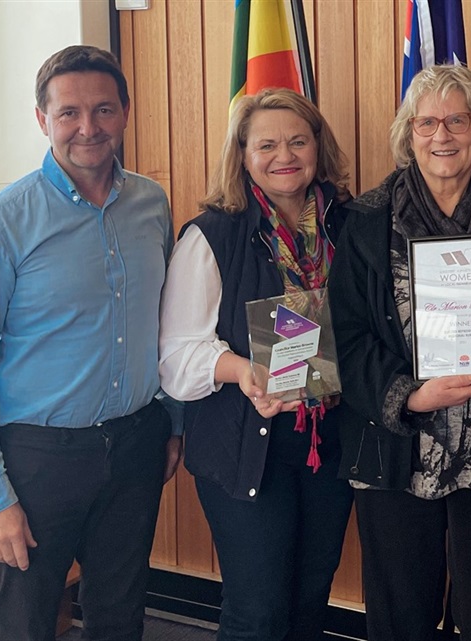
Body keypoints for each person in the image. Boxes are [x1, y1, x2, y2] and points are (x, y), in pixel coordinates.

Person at [0, 45, 177, 640]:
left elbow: (166, 326)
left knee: (120, 616)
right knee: (26, 622)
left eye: (102, 110)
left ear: (124, 111)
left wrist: (171, 425)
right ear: (42, 119)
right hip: (38, 460)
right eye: (68, 113)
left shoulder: (151, 204)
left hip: (136, 444)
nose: (87, 128)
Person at [327, 64, 471, 641]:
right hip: (398, 447)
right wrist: (410, 396)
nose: (442, 135)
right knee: (400, 614)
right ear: (409, 134)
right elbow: (347, 337)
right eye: (427, 122)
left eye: (457, 121)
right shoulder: (365, 220)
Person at [158, 88, 354, 641]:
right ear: (241, 154)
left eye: (298, 140)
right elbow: (176, 357)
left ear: (318, 145)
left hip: (329, 443)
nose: (284, 155)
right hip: (248, 444)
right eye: (266, 144)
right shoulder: (212, 235)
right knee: (259, 609)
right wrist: (244, 371)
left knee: (312, 594)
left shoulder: (347, 224)